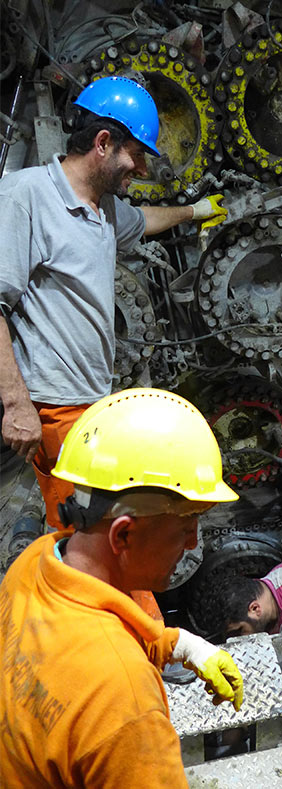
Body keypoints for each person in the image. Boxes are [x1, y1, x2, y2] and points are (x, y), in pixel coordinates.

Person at [0, 75, 227, 530]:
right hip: (52, 406)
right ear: (103, 142)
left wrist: (197, 212)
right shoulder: (26, 196)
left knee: (83, 533)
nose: (141, 170)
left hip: (89, 404)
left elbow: (143, 220)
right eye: (137, 154)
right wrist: (16, 404)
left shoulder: (102, 208)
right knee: (84, 539)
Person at [0, 387, 243, 788]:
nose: (193, 543)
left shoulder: (35, 564)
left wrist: (182, 646)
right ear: (124, 535)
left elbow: (83, 645)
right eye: (185, 527)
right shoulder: (125, 705)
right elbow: (104, 677)